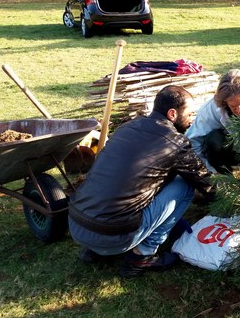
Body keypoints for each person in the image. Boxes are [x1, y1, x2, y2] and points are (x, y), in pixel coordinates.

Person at [68, 85, 212, 278]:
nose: (191, 119)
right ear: (172, 114)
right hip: (114, 237)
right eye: (189, 113)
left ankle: (93, 249)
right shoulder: (175, 143)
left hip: (78, 225)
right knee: (185, 185)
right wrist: (234, 199)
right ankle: (142, 257)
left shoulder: (126, 128)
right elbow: (205, 181)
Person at [185, 69, 240, 174]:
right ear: (224, 102)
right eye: (233, 106)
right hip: (231, 154)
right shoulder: (210, 110)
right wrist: (209, 172)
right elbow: (193, 141)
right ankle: (231, 176)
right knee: (213, 140)